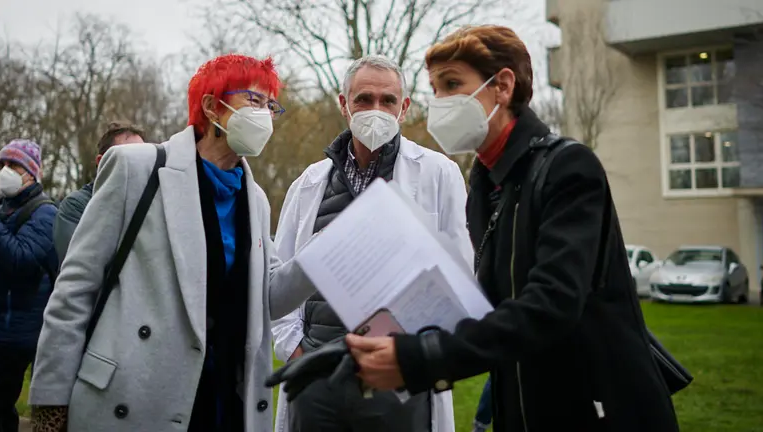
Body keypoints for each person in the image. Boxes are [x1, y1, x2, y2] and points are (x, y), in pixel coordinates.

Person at [271, 26, 681, 432]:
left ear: (502, 86)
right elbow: (475, 304)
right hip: (522, 404)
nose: (442, 103)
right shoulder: (488, 184)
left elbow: (550, 307)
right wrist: (349, 353)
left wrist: (416, 358)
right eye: (436, 90)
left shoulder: (567, 168)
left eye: (452, 85)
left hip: (596, 407)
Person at [29, 54, 316, 432]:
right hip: (135, 395)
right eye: (253, 100)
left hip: (224, 401)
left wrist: (323, 259)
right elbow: (75, 288)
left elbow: (270, 297)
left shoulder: (256, 200)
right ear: (212, 106)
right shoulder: (136, 168)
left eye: (270, 105)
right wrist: (50, 401)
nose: (265, 115)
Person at [271, 55, 469, 432]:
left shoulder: (439, 175)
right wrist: (296, 349)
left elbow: (459, 278)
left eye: (387, 100)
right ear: (343, 105)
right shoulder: (309, 184)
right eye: (363, 99)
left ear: (405, 108)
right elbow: (279, 280)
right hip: (317, 375)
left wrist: (412, 357)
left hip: (397, 379)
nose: (375, 110)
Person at [0, 139, 58, 432]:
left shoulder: (45, 213)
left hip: (18, 334)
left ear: (31, 173)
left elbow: (21, 260)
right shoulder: (2, 209)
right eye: (2, 165)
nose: (5, 171)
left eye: (14, 165)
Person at [53, 121, 145, 263]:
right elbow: (79, 266)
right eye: (128, 158)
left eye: (144, 158)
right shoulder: (76, 206)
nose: (139, 166)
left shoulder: (151, 203)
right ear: (101, 162)